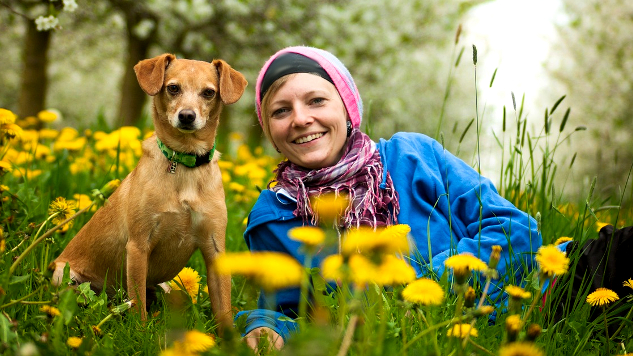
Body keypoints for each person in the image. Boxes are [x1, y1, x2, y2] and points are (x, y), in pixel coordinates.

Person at [236, 46, 547, 350]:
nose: (300, 119)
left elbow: (515, 229)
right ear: (270, 130)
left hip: (539, 303)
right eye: (281, 110)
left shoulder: (413, 156)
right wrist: (267, 329)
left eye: (316, 100)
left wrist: (419, 289)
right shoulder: (272, 217)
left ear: (347, 108)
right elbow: (287, 313)